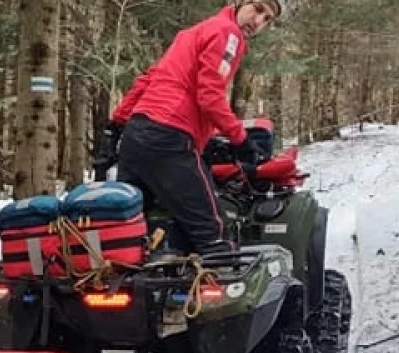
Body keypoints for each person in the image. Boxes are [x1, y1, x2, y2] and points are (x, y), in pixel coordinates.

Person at [96, 1, 282, 256]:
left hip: (135, 138)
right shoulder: (229, 34)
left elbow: (148, 80)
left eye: (267, 19)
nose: (258, 21)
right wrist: (241, 140)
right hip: (169, 137)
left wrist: (116, 125)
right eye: (258, 8)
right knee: (213, 236)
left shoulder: (192, 34)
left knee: (133, 235)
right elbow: (209, 96)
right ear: (238, 3)